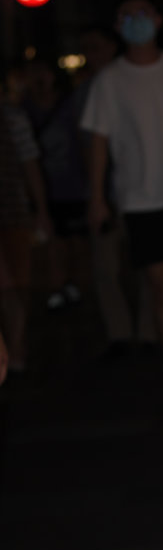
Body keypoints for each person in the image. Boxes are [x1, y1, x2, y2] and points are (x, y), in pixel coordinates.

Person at [81, 0, 163, 387]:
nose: (136, 20)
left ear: (159, 20)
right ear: (118, 26)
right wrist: (97, 197)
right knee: (161, 288)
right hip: (140, 199)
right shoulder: (109, 80)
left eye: (143, 13)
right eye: (127, 15)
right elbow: (98, 142)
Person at [19, 57, 89, 309]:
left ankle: (77, 286)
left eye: (44, 71)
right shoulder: (24, 109)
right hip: (43, 187)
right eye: (33, 72)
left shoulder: (69, 105)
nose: (39, 78)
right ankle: (58, 287)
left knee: (77, 242)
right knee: (52, 240)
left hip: (73, 185)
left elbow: (82, 141)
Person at [0, 96, 51, 373]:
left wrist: (41, 210)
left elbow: (30, 165)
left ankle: (17, 346)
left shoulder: (13, 118)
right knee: (8, 283)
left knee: (17, 284)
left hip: (13, 210)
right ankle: (14, 348)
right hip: (14, 210)